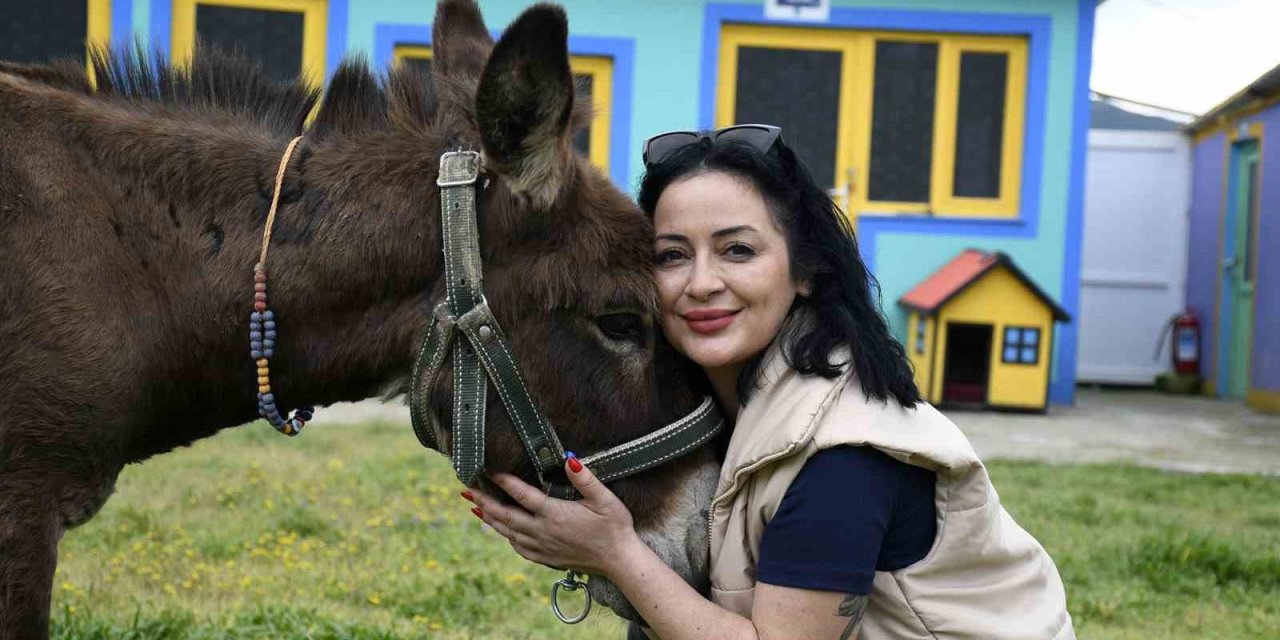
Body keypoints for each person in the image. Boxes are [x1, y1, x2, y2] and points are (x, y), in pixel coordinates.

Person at [465, 125, 1075, 640]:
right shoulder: (723, 400)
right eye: (673, 255)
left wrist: (614, 552)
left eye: (737, 251)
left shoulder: (845, 454)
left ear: (803, 271)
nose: (701, 282)